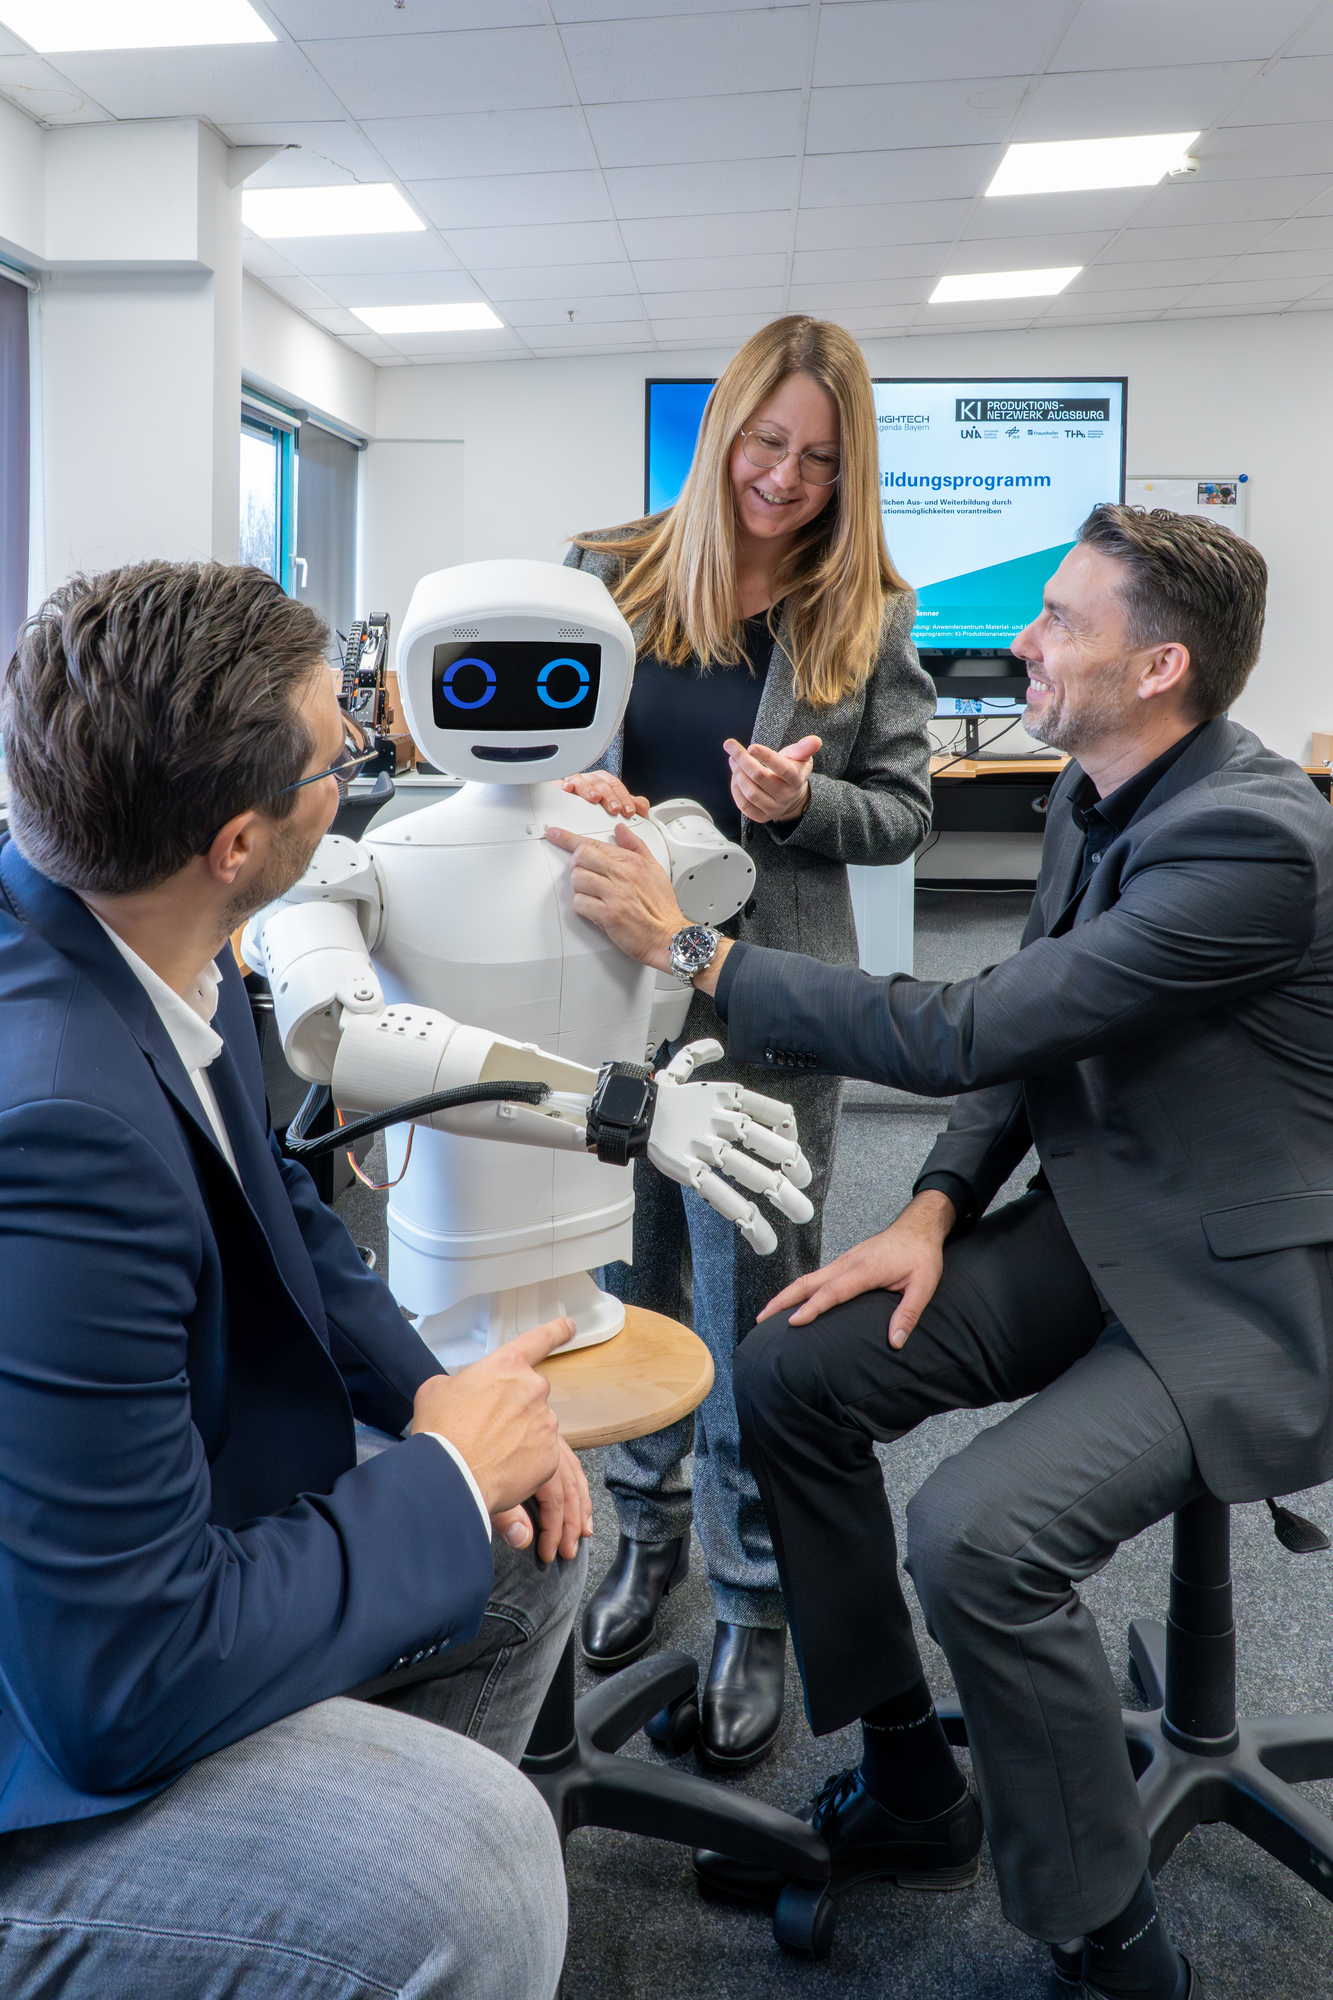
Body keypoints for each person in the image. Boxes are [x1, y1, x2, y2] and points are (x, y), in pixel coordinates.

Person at [547, 503, 1331, 2000]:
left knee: (975, 1534)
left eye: (1059, 623)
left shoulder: (1247, 838)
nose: (1021, 641)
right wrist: (930, 1206)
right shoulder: (1101, 791)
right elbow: (1032, 1043)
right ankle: (913, 1778)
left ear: (1158, 665)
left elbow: (969, 1025)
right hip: (1104, 1223)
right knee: (785, 1366)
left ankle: (1109, 1944)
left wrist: (696, 952)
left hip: (1240, 1281)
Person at [0, 562, 594, 2000]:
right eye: (345, 762)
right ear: (238, 839)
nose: (359, 784)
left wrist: (436, 1394)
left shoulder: (132, 939)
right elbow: (114, 1692)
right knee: (472, 1874)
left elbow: (289, 1227)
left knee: (546, 1558)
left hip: (114, 1567)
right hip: (53, 1723)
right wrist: (442, 1472)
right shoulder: (62, 1126)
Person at [559, 314, 933, 1770]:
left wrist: (798, 809)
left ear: (851, 473)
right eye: (766, 444)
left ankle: (754, 1603)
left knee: (751, 1317)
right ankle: (640, 1542)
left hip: (761, 1010)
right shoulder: (607, 574)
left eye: (819, 460)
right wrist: (571, 796)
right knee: (618, 1284)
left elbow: (900, 811)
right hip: (602, 1000)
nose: (784, 479)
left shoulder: (865, 615)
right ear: (722, 432)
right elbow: (530, 754)